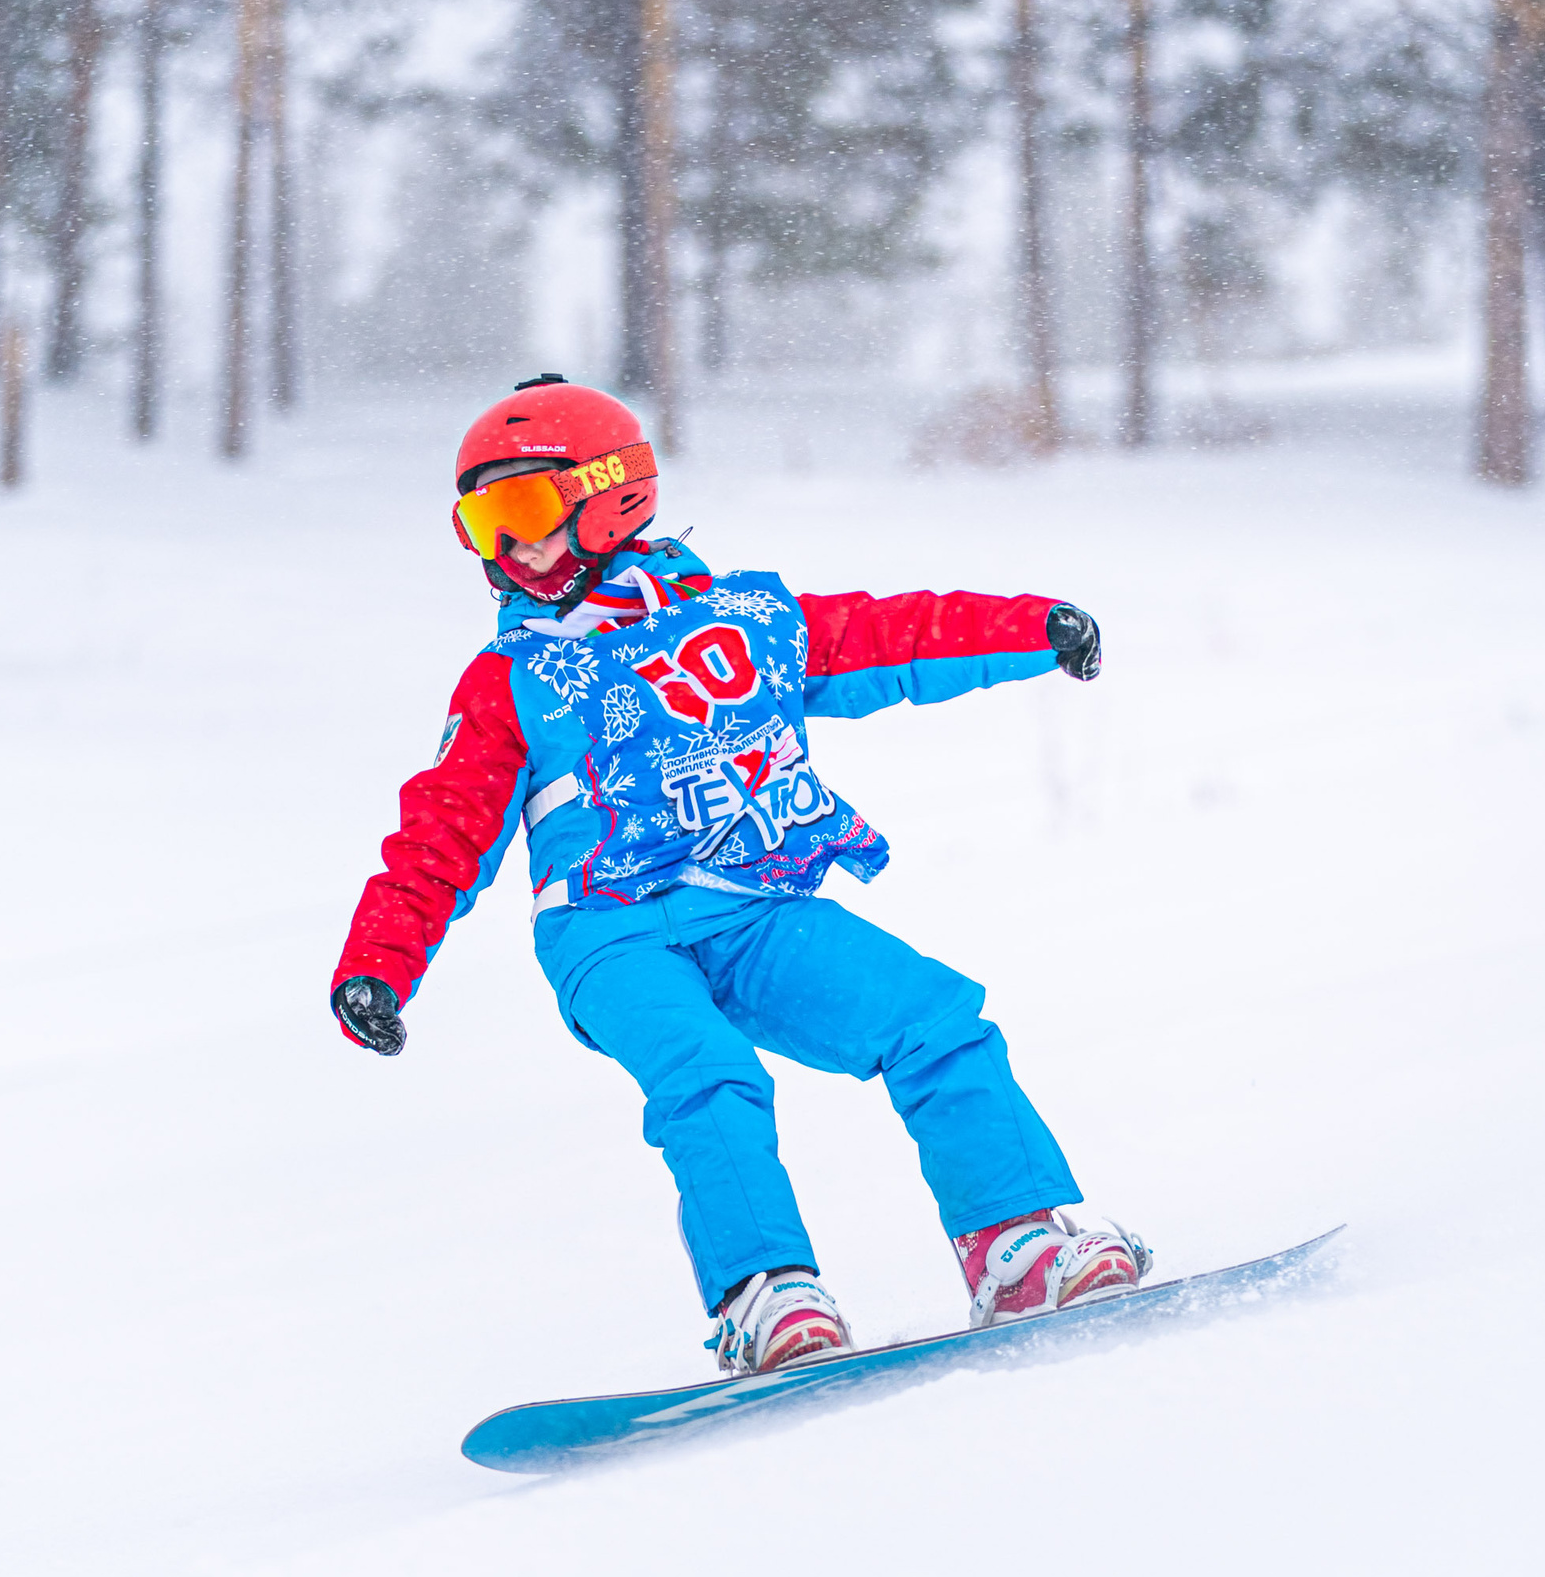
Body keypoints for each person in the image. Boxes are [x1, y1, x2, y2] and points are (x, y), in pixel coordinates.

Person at [330, 375, 1149, 1375]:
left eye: (525, 509)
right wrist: (379, 961)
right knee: (707, 1077)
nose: (509, 548)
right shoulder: (512, 680)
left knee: (933, 1020)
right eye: (481, 521)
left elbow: (891, 637)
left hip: (755, 909)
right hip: (608, 934)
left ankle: (1015, 1242)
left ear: (611, 494)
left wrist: (1030, 630)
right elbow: (441, 835)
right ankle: (767, 1294)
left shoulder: (747, 624)